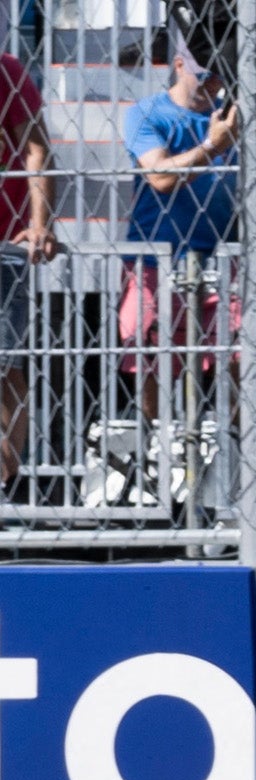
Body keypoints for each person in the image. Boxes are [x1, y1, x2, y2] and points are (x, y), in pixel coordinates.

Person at [119, 46, 239, 422]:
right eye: (204, 75)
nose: (213, 84)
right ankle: (156, 449)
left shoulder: (230, 115)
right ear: (178, 65)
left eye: (221, 76)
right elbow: (161, 176)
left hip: (222, 258)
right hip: (157, 259)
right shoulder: (146, 113)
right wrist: (212, 147)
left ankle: (233, 455)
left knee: (239, 359)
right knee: (152, 364)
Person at [0, 41, 41, 502]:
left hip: (3, 240)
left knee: (5, 366)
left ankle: (6, 486)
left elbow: (35, 146)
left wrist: (39, 222)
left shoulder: (6, 71)